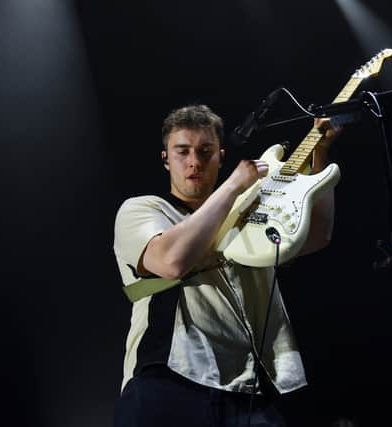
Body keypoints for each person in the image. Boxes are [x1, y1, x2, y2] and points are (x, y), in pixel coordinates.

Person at [112, 104, 342, 426]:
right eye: (182, 152)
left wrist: (321, 155)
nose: (194, 162)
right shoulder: (143, 209)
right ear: (166, 159)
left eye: (206, 151)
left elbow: (317, 235)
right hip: (170, 380)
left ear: (220, 156)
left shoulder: (250, 215)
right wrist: (234, 185)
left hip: (253, 391)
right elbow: (171, 261)